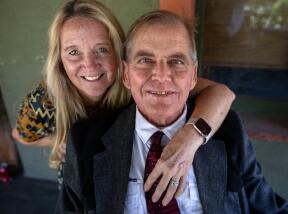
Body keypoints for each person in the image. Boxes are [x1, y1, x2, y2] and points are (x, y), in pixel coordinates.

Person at [59, 10, 288, 214]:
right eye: (145, 60)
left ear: (194, 75)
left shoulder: (228, 130)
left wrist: (191, 138)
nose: (162, 76)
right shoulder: (84, 141)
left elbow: (267, 206)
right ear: (125, 74)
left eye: (176, 61)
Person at [11, 0, 235, 196]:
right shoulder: (44, 100)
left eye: (101, 49)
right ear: (59, 59)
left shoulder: (136, 82)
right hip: (79, 179)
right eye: (73, 52)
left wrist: (189, 140)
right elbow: (21, 136)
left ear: (118, 51)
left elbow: (222, 93)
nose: (89, 64)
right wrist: (60, 141)